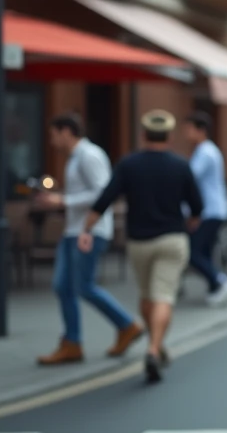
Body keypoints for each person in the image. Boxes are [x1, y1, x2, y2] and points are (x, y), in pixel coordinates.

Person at [79, 110, 203, 384]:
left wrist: (87, 229)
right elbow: (197, 205)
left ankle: (155, 345)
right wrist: (193, 221)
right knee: (164, 297)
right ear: (169, 136)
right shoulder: (181, 165)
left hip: (139, 242)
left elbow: (105, 198)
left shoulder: (129, 164)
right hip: (172, 238)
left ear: (143, 135)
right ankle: (154, 348)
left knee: (147, 296)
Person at [35, 114, 144, 366]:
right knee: (63, 287)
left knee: (83, 286)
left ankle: (126, 324)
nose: (52, 140)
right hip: (74, 230)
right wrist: (60, 199)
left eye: (54, 134)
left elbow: (102, 191)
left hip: (88, 231)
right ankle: (72, 342)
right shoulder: (76, 158)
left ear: (66, 132)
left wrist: (63, 200)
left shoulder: (89, 155)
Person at [184, 112, 227, 307]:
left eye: (189, 129)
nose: (186, 133)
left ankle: (220, 281)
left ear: (201, 130)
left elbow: (190, 178)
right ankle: (215, 286)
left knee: (193, 252)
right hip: (213, 209)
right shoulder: (206, 150)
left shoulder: (205, 152)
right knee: (203, 251)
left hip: (209, 210)